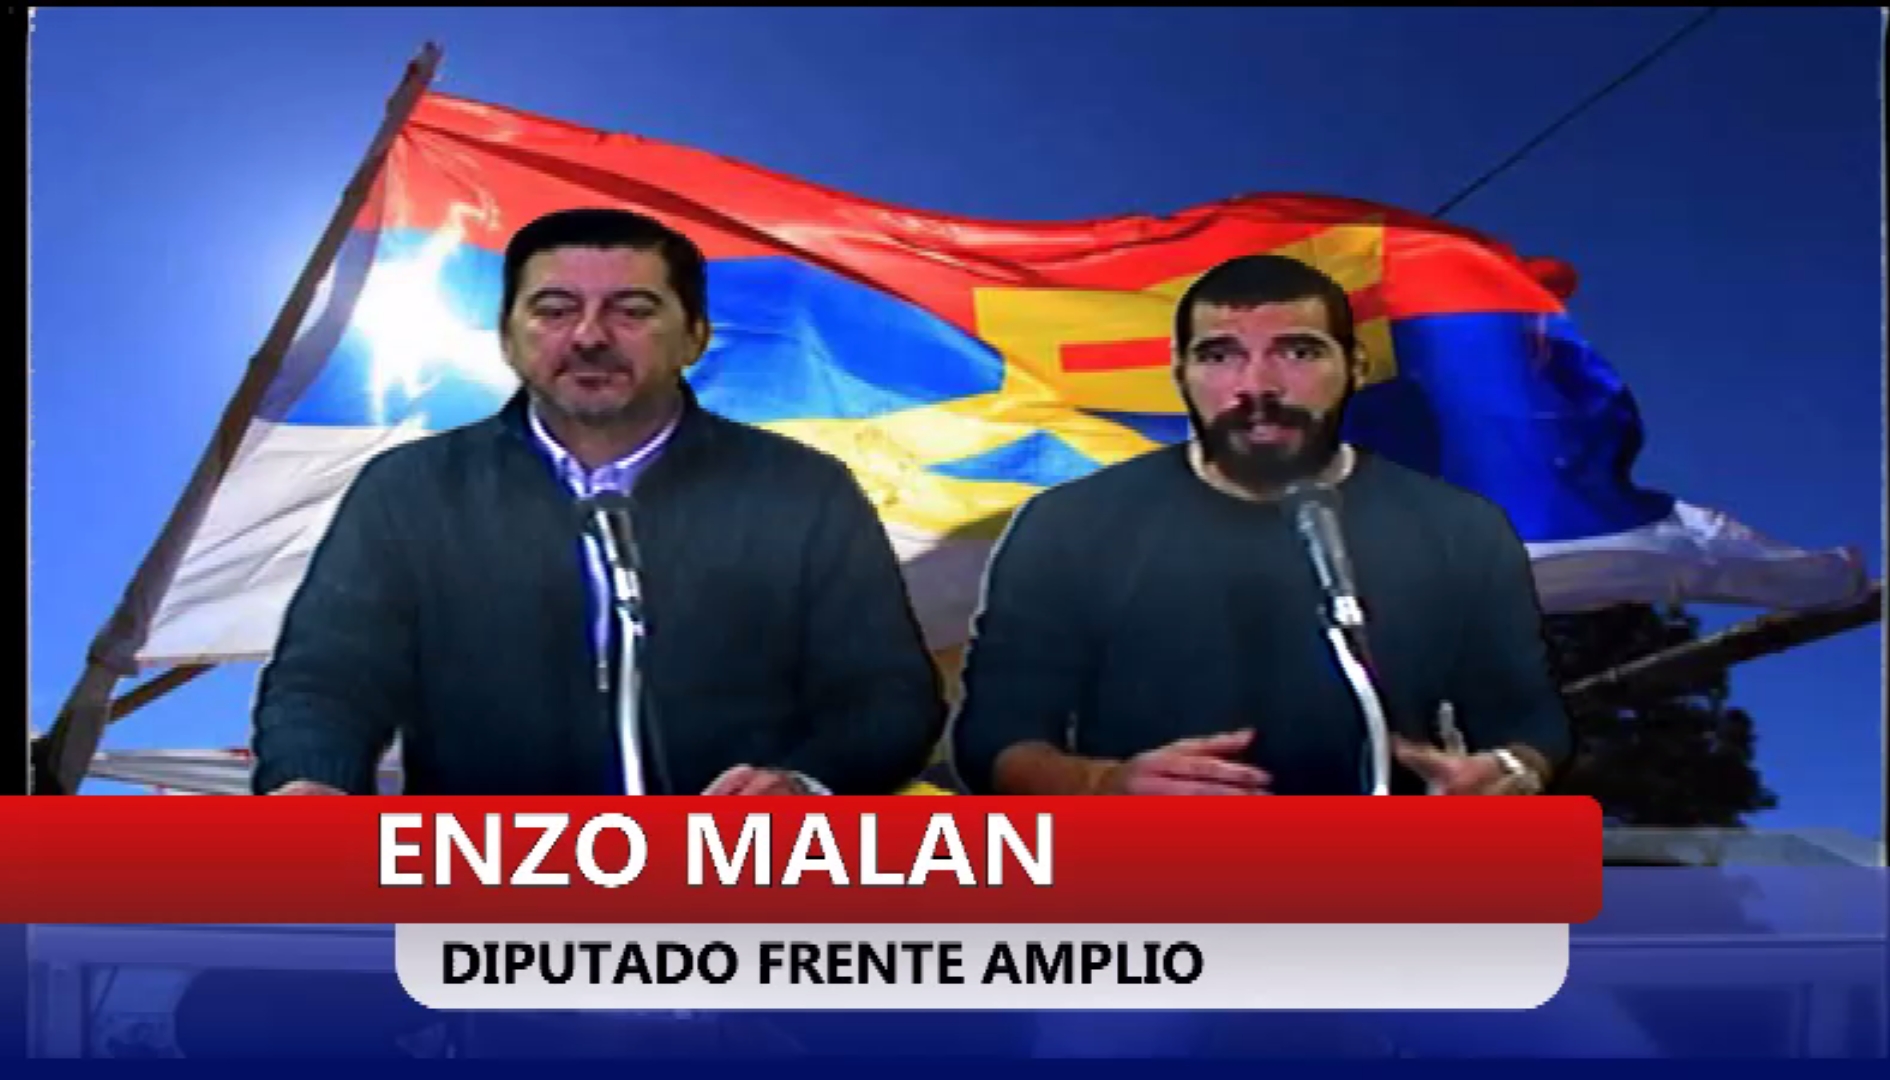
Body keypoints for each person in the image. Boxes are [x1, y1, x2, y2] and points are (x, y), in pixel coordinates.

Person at [253, 207, 945, 797]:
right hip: (484, 883)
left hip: (736, 885)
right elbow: (327, 680)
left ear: (695, 336)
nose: (589, 336)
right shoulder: (412, 489)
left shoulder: (801, 489)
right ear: (508, 338)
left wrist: (805, 782)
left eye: (632, 311)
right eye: (554, 310)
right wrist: (312, 782)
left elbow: (887, 696)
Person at [950, 253, 1570, 798]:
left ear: (1354, 366)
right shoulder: (1069, 526)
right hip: (1147, 878)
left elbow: (1529, 719)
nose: (1257, 386)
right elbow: (994, 737)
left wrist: (1510, 770)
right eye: (1220, 356)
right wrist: (1101, 785)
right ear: (1180, 373)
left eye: (1298, 352)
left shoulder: (1460, 529)